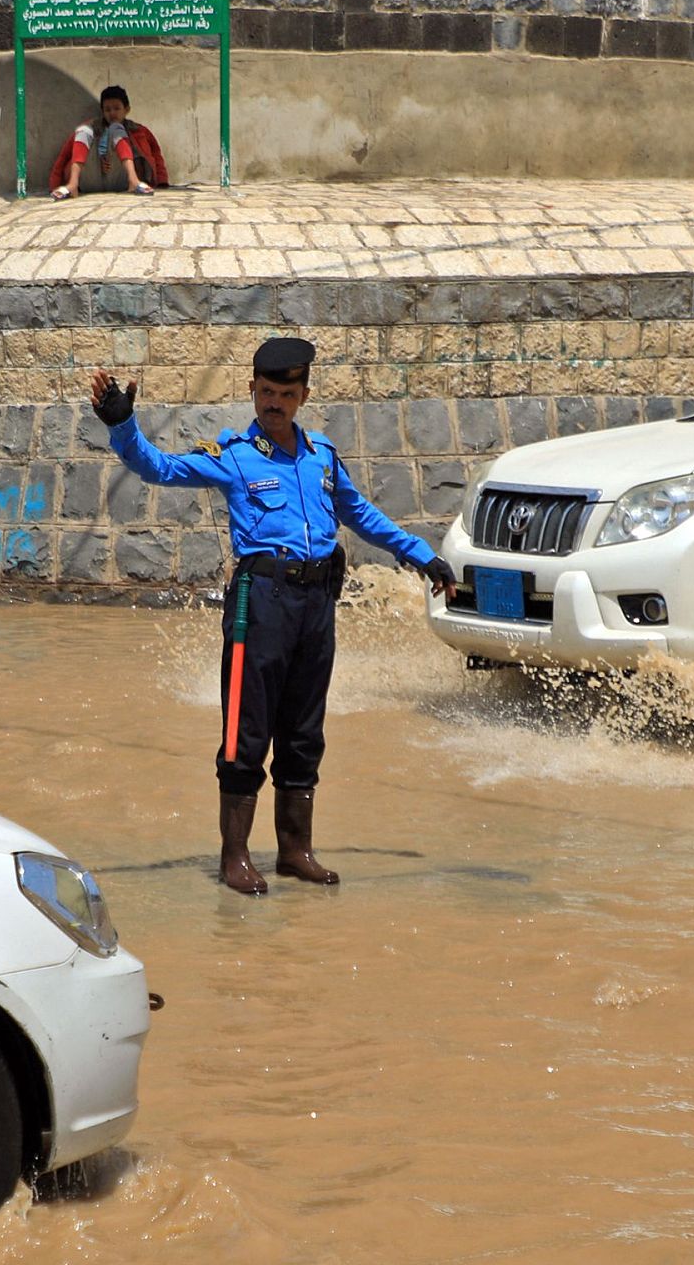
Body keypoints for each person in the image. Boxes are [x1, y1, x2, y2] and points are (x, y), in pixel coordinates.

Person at [88, 339, 457, 895]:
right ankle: (234, 858)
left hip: (315, 605)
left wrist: (422, 554)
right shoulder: (234, 454)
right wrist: (122, 425)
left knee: (304, 731)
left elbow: (362, 516)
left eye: (287, 393)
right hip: (259, 603)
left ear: (303, 395)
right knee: (247, 730)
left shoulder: (322, 457)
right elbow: (159, 468)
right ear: (253, 391)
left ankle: (294, 851)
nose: (275, 403)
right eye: (266, 392)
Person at [49, 85, 167, 200]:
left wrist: (162, 181)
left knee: (116, 127)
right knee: (83, 130)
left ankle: (134, 181)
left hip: (121, 180)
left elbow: (156, 154)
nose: (112, 113)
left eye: (117, 108)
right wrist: (54, 183)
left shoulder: (139, 130)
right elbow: (64, 156)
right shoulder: (91, 127)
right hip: (92, 180)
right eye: (107, 110)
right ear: (102, 112)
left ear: (126, 109)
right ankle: (72, 185)